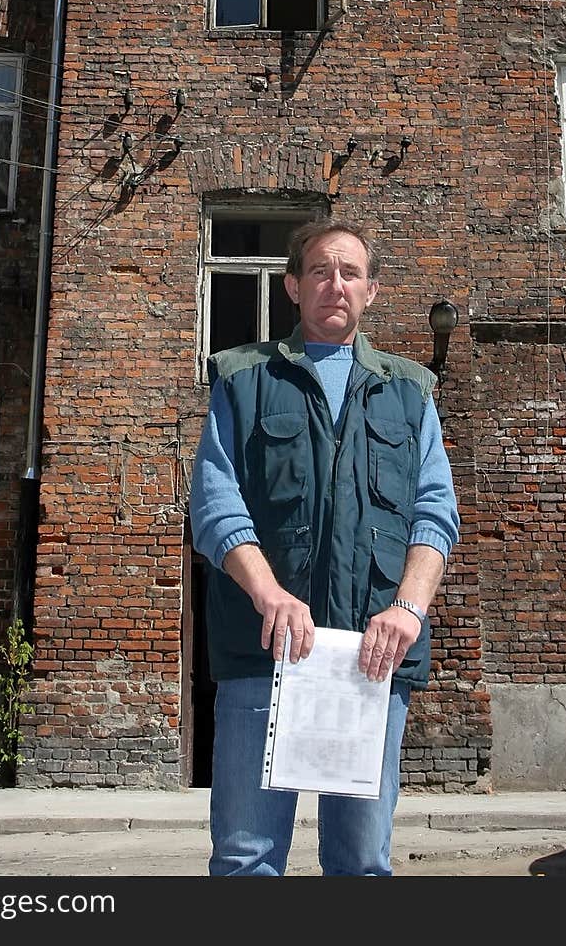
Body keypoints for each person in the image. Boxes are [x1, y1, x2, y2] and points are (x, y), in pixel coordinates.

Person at [189, 218, 460, 876]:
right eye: (318, 271)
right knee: (246, 859)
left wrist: (408, 612)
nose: (334, 284)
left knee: (362, 862)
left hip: (370, 663)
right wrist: (269, 594)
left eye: (349, 272)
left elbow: (435, 514)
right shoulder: (242, 380)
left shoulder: (409, 392)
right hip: (267, 652)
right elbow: (216, 504)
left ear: (371, 290)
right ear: (292, 286)